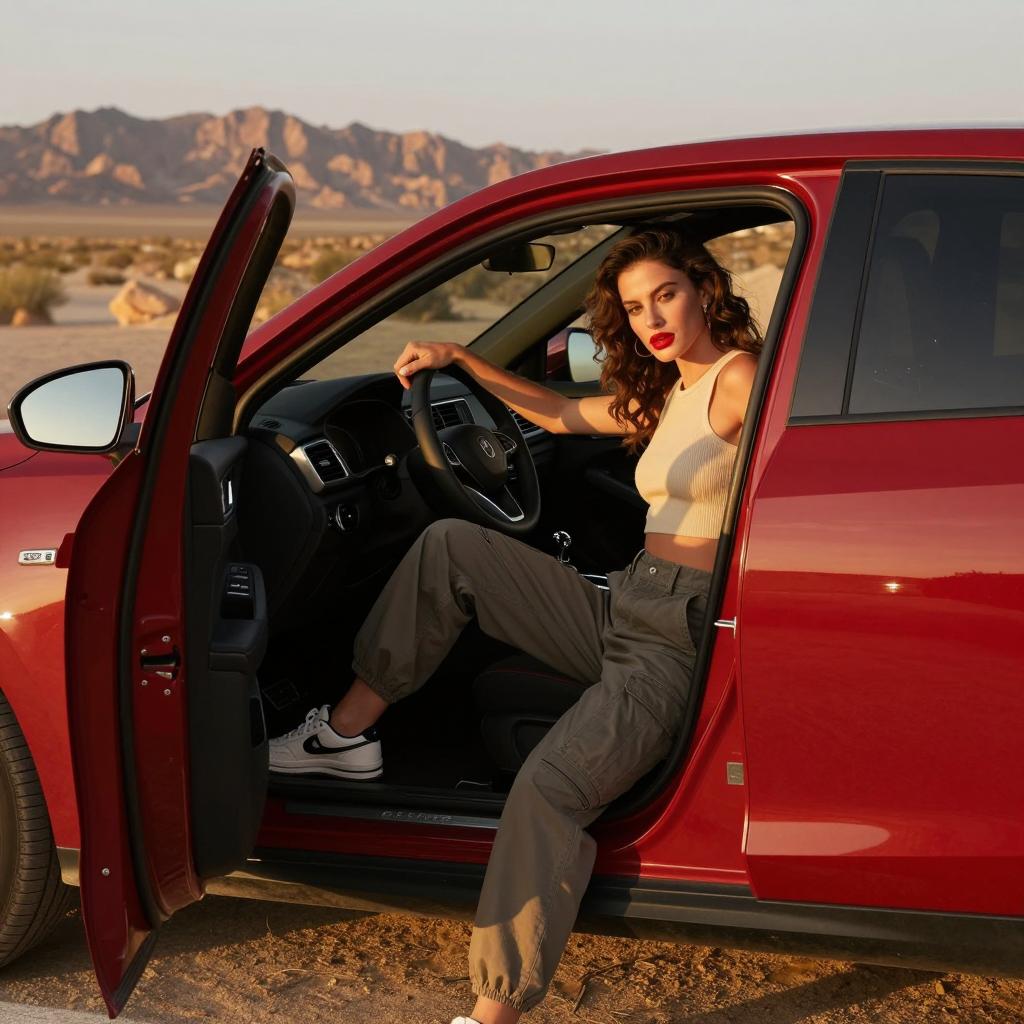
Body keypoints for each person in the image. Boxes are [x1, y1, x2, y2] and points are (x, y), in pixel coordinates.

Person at [269, 226, 762, 1023]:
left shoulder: (740, 377)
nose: (652, 319)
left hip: (677, 635)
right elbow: (564, 414)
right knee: (452, 547)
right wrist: (463, 362)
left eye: (666, 295)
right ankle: (345, 737)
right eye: (635, 307)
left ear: (704, 289)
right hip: (626, 603)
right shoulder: (678, 386)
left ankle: (491, 1015)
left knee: (550, 788)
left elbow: (797, 428)